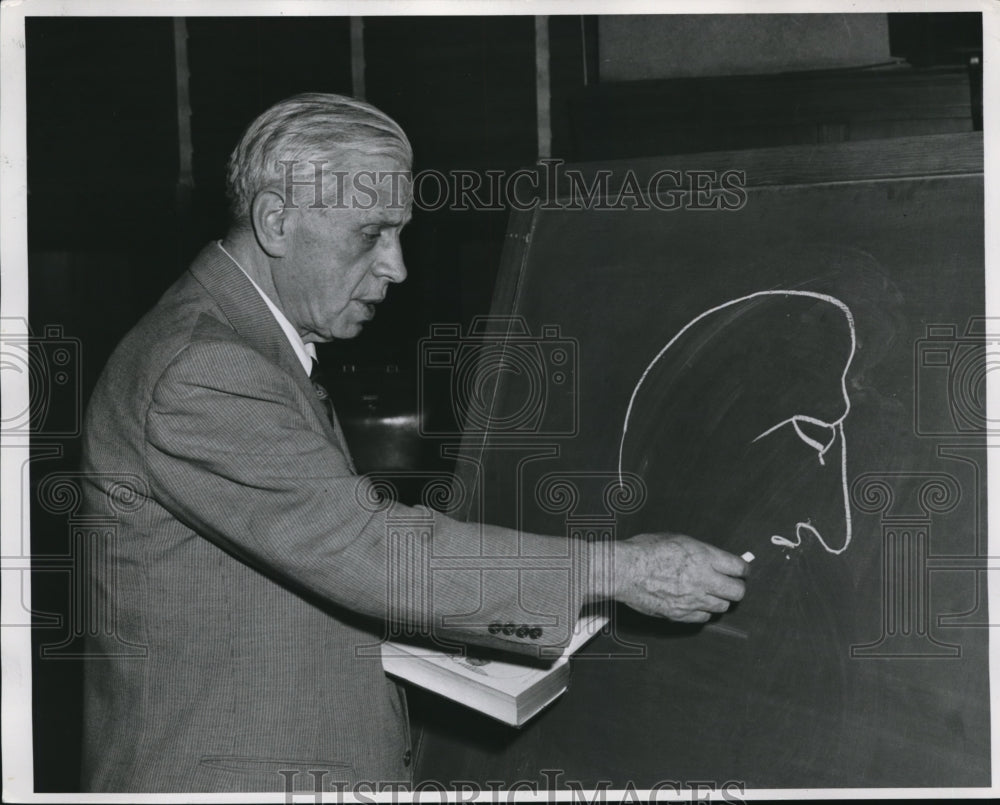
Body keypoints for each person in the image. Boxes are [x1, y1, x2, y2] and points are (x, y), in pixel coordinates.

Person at [79, 92, 749, 793]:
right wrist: (623, 571)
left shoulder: (250, 344)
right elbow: (370, 553)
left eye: (400, 233)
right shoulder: (205, 367)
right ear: (277, 221)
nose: (397, 266)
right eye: (371, 234)